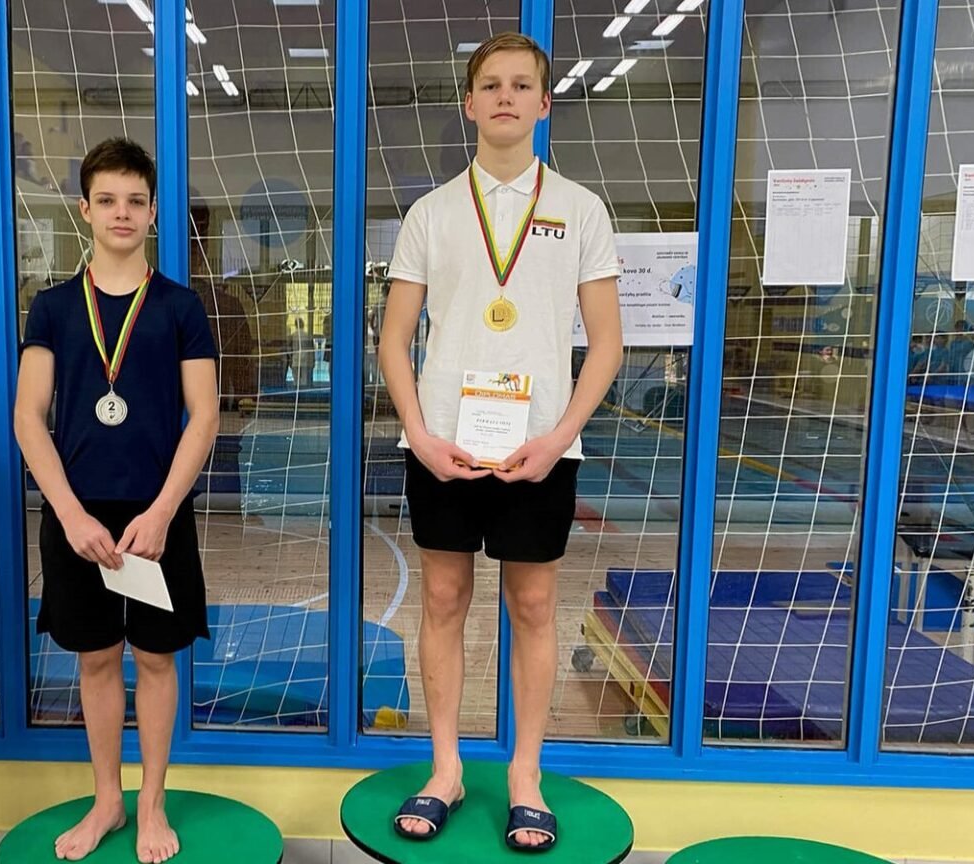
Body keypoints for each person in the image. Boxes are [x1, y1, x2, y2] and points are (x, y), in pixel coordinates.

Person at [377, 32, 623, 852]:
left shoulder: (581, 209)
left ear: (545, 103)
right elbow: (393, 339)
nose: (506, 96)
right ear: (469, 103)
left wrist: (559, 438)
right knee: (444, 600)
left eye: (522, 85)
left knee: (534, 605)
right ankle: (446, 767)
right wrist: (419, 435)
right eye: (491, 85)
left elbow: (607, 344)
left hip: (539, 447)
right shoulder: (431, 213)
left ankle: (525, 773)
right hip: (444, 447)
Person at [14, 137, 219, 864]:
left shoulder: (180, 307)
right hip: (79, 516)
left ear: (154, 211)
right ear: (85, 209)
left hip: (157, 514)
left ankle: (152, 802)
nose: (121, 213)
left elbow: (205, 414)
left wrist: (162, 511)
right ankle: (108, 799)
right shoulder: (52, 308)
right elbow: (27, 416)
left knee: (157, 660)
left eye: (135, 201)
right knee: (97, 659)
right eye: (107, 200)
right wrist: (70, 515)